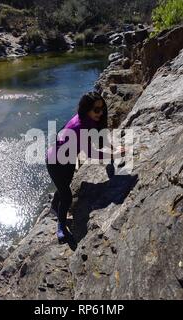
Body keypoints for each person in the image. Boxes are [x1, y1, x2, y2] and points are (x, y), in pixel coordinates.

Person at [46, 91, 122, 243]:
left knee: (65, 186)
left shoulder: (90, 120)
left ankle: (55, 205)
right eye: (96, 110)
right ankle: (61, 225)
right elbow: (91, 154)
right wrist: (113, 156)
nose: (100, 113)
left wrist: (114, 149)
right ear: (86, 109)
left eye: (102, 109)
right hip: (55, 161)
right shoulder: (80, 126)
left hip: (68, 159)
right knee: (66, 195)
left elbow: (101, 137)